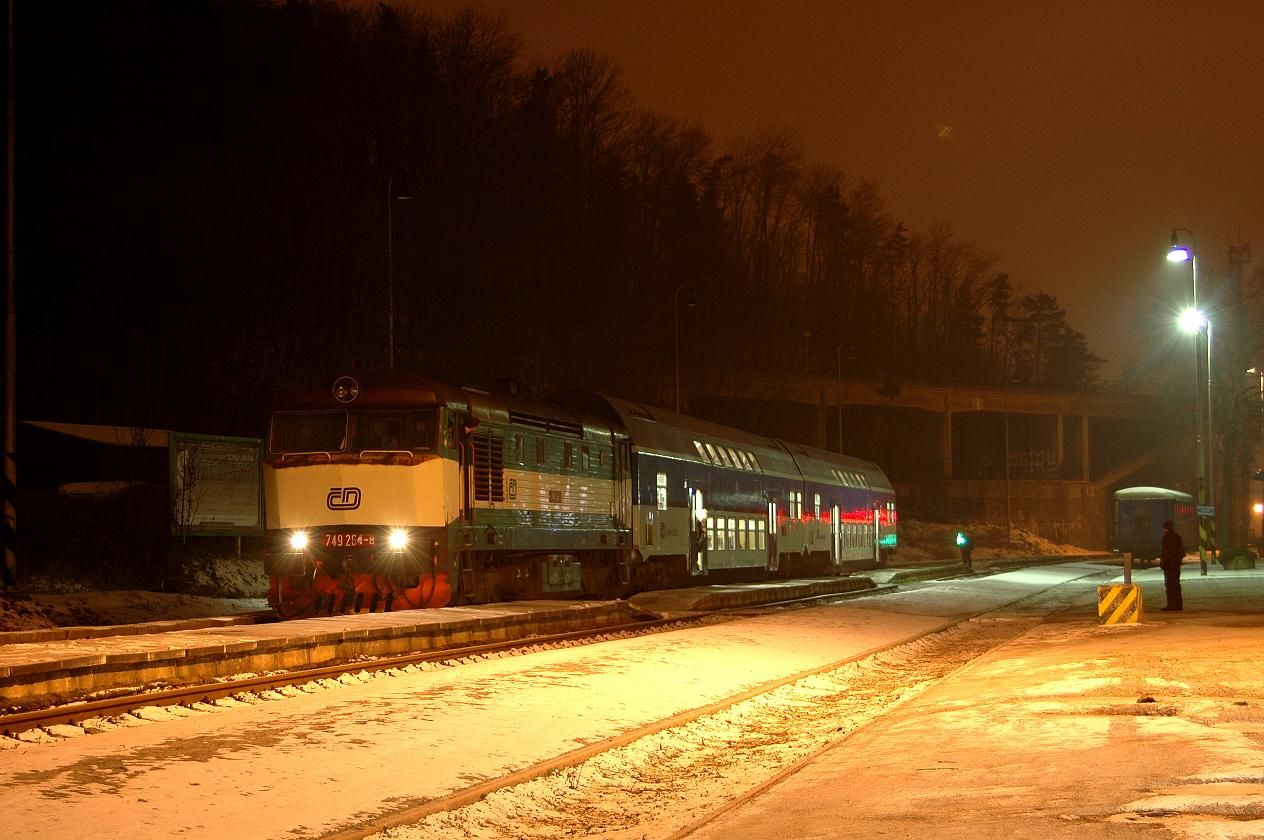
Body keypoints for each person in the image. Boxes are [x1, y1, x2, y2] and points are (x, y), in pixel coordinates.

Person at [1160, 519, 1184, 611]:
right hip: (1176, 566)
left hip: (1168, 565)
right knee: (1176, 585)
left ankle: (1171, 605)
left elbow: (1165, 552)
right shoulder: (1177, 536)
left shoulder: (1166, 537)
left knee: (1169, 585)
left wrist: (1163, 563)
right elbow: (1180, 551)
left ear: (1166, 528)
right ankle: (1178, 605)